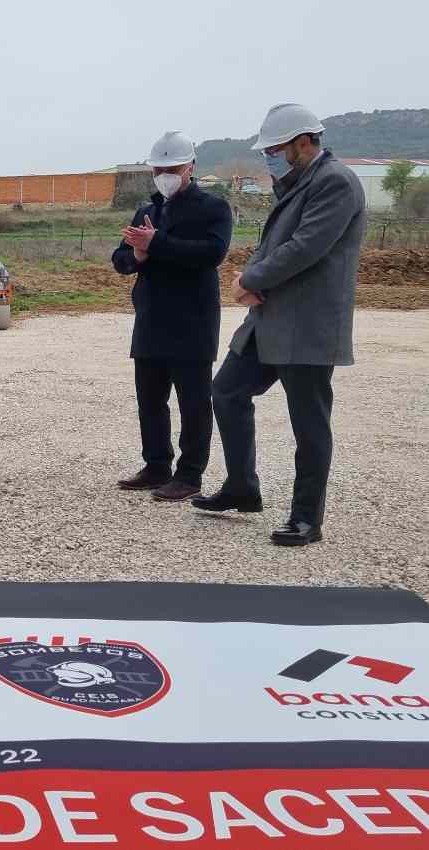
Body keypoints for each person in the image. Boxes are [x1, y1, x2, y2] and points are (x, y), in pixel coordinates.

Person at [193, 104, 367, 546]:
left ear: (304, 142)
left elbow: (305, 247)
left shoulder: (335, 182)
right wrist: (248, 280)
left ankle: (307, 518)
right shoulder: (296, 183)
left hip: (307, 324)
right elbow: (272, 244)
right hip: (269, 316)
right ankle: (241, 487)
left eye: (276, 149)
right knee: (228, 390)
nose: (271, 157)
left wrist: (250, 279)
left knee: (308, 422)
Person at [112, 131, 232, 502]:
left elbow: (212, 253)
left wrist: (156, 243)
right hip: (151, 318)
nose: (164, 174)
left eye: (172, 168)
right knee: (150, 400)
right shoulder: (147, 211)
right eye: (158, 169)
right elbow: (120, 259)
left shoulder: (213, 208)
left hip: (192, 321)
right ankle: (156, 465)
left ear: (190, 168)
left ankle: (190, 474)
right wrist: (138, 257)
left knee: (193, 402)